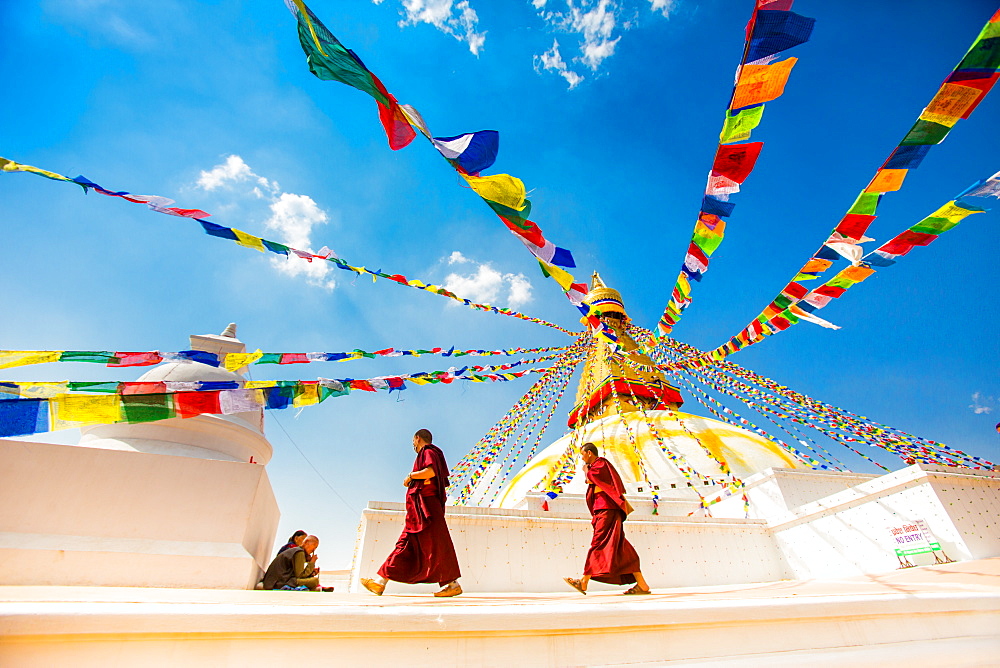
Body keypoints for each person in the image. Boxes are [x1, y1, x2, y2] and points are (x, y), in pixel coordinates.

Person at [360, 429, 462, 597]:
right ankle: (380, 582)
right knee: (405, 544)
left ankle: (452, 584)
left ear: (417, 438)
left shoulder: (428, 451)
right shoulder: (427, 453)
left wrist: (411, 476)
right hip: (418, 511)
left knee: (438, 544)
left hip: (428, 509)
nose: (413, 445)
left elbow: (431, 472)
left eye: (413, 441)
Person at [564, 442, 651, 595]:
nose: (582, 458)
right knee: (620, 546)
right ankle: (642, 585)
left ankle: (584, 581)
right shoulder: (594, 466)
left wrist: (586, 470)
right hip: (603, 508)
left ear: (589, 453)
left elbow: (591, 479)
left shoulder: (600, 463)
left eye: (582, 454)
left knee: (598, 542)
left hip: (606, 508)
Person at [261, 534, 333, 591]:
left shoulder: (298, 551)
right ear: (306, 542)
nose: (314, 549)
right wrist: (312, 562)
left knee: (313, 580)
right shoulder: (299, 552)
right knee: (315, 581)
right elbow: (300, 575)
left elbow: (297, 573)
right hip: (279, 582)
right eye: (314, 546)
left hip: (278, 580)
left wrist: (312, 572)